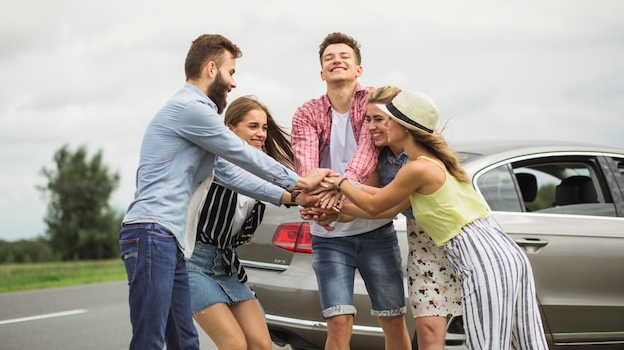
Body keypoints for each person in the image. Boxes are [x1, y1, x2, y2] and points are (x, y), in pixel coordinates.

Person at [119, 34, 330, 350]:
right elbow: (240, 153)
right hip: (152, 232)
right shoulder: (190, 109)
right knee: (150, 339)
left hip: (171, 240)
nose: (233, 83)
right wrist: (299, 181)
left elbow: (232, 174)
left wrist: (293, 195)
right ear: (210, 68)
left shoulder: (195, 115)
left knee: (185, 341)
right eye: (231, 72)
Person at [327, 89, 549, 350]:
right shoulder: (429, 163)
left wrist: (338, 181)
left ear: (405, 127)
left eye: (388, 120)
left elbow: (376, 206)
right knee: (527, 344)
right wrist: (338, 210)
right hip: (503, 253)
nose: (380, 126)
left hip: (481, 256)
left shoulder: (417, 167)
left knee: (488, 345)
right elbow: (386, 203)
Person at [304, 86, 462, 350]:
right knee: (427, 331)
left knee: (482, 332)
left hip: (452, 243)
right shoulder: (382, 157)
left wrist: (339, 185)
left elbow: (382, 207)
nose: (371, 127)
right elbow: (368, 200)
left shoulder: (419, 163)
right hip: (423, 247)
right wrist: (333, 207)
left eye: (379, 119)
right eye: (368, 119)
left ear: (399, 121)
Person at [291, 32, 411, 350]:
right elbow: (306, 169)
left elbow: (367, 155)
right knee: (339, 322)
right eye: (329, 57)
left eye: (345, 56)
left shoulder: (372, 102)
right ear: (321, 73)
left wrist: (337, 195)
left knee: (393, 320)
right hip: (329, 235)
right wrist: (319, 202)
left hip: (376, 230)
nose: (336, 60)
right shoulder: (306, 113)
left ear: (358, 69)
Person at [187, 95, 314, 350]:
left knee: (261, 344)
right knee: (234, 344)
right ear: (229, 130)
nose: (261, 134)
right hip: (193, 262)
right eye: (253, 126)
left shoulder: (263, 170)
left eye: (264, 127)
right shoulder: (213, 163)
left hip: (227, 262)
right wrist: (295, 197)